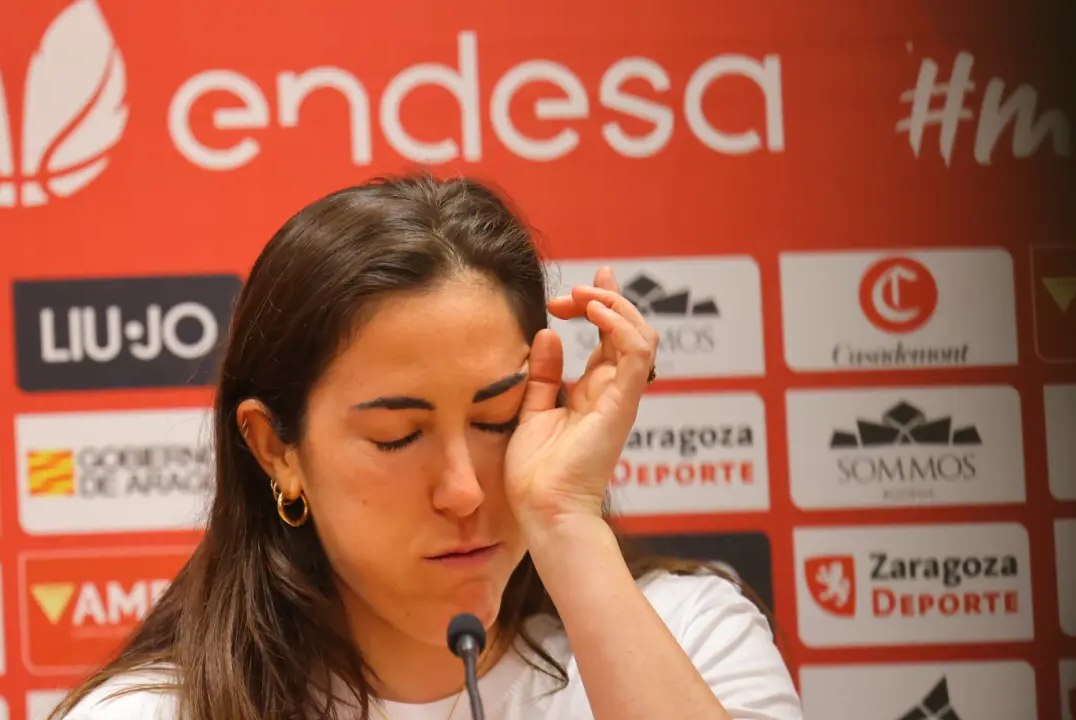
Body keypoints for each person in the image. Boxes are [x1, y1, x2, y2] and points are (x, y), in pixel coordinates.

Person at [50, 173, 803, 720]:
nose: (464, 490)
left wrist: (567, 523)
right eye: (398, 436)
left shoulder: (687, 632)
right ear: (277, 448)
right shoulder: (153, 712)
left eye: (498, 419)